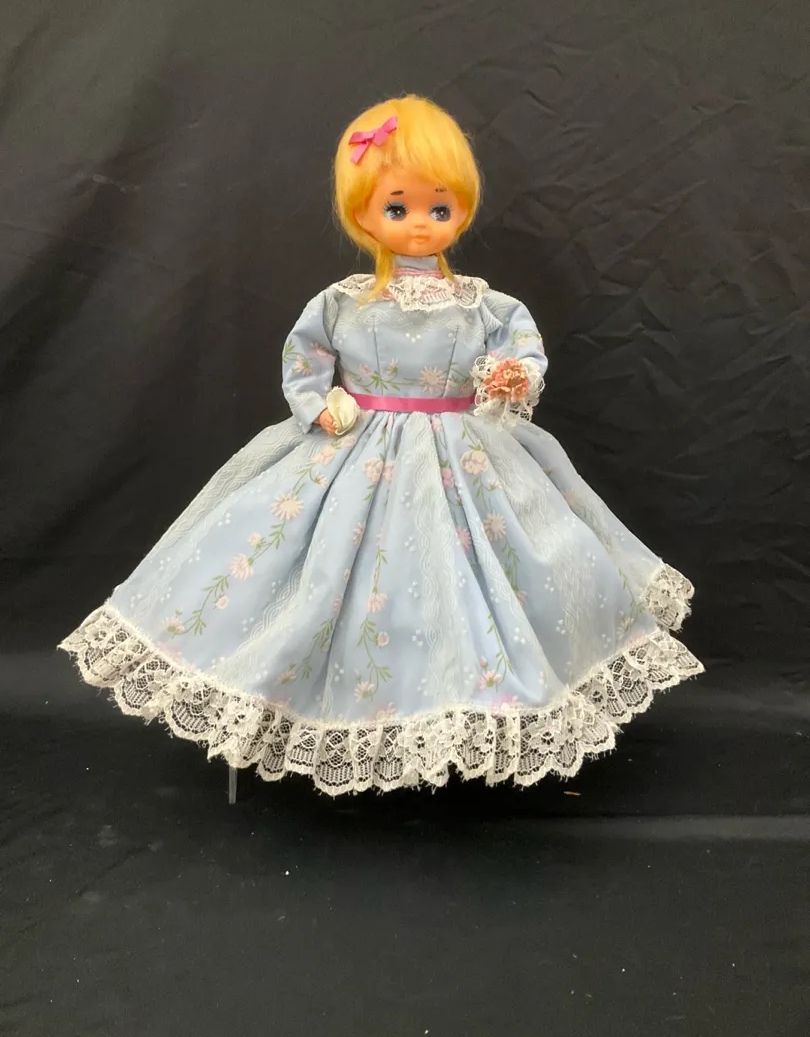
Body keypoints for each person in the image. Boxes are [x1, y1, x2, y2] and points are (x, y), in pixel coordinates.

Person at [59, 94, 703, 795]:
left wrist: (512, 375)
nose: (420, 223)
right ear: (362, 213)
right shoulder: (344, 301)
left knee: (504, 574)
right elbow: (303, 361)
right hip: (357, 448)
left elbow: (523, 355)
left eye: (439, 207)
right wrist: (319, 404)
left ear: (462, 208)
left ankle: (476, 712)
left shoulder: (487, 305)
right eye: (398, 208)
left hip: (469, 451)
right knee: (318, 574)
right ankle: (301, 709)